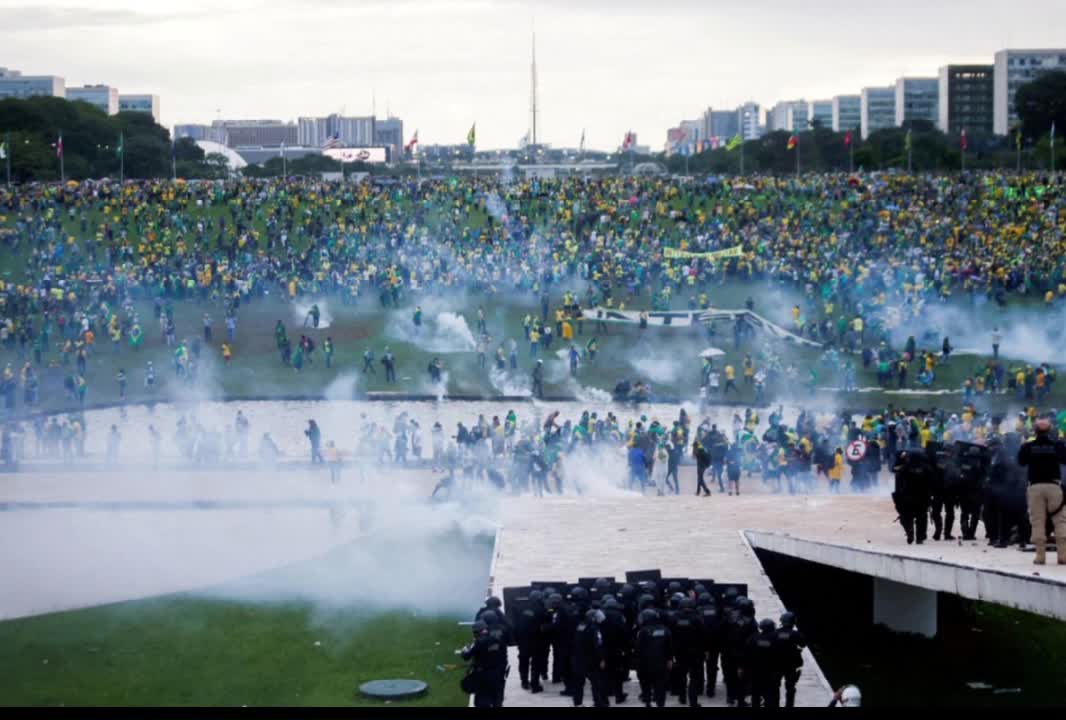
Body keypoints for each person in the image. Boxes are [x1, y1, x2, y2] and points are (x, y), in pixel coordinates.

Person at [1017, 418, 1066, 564]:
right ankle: (1063, 556)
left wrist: (1022, 447)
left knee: (1038, 522)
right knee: (1060, 521)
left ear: (1035, 431)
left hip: (1035, 488)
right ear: (1050, 431)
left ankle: (1040, 556)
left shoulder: (1028, 446)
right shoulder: (1057, 445)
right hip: (1054, 487)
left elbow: (1021, 462)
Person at [461, 619, 507, 708]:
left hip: (483, 676)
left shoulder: (479, 643)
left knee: (481, 702)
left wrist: (464, 651)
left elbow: (466, 657)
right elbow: (503, 656)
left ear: (477, 632)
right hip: (497, 674)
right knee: (497, 700)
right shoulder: (497, 639)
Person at [891, 449, 933, 544]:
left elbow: (894, 470)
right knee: (921, 518)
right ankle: (920, 537)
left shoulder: (904, 468)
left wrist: (900, 459)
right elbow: (932, 482)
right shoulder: (926, 469)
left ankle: (909, 531)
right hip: (922, 497)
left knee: (906, 517)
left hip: (906, 497)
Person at [571, 608, 609, 707]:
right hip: (591, 660)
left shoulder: (580, 625)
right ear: (593, 618)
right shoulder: (595, 628)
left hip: (578, 659)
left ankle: (578, 703)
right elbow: (598, 645)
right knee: (596, 683)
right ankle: (598, 702)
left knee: (578, 683)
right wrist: (601, 659)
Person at [635, 608, 672, 708]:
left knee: (646, 684)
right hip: (661, 663)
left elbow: (638, 649)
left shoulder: (642, 631)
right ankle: (660, 703)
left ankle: (647, 702)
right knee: (660, 686)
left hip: (645, 664)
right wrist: (669, 659)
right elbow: (669, 646)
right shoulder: (665, 629)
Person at [775, 611, 806, 708]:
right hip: (791, 664)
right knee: (790, 687)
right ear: (793, 623)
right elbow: (803, 644)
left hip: (778, 663)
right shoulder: (796, 634)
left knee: (775, 686)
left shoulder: (776, 633)